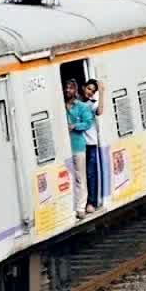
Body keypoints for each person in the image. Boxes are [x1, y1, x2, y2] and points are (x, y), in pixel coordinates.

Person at [64, 79, 94, 220]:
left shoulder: (81, 106)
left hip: (77, 146)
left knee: (80, 178)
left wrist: (75, 126)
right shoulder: (60, 106)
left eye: (70, 88)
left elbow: (88, 123)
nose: (67, 90)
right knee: (68, 179)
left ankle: (80, 208)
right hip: (64, 148)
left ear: (75, 90)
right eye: (66, 88)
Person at [81, 78, 104, 212]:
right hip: (78, 145)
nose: (90, 92)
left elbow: (100, 111)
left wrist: (101, 92)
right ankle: (83, 202)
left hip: (90, 144)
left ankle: (92, 202)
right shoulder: (75, 102)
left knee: (91, 174)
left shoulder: (92, 104)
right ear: (83, 87)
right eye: (89, 89)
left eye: (93, 91)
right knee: (81, 176)